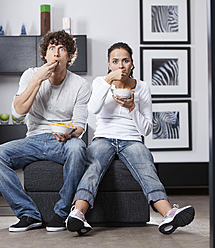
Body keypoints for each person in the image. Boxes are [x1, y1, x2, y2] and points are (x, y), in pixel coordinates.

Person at [65, 42, 195, 235]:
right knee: (92, 167)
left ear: (132, 63)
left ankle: (169, 214)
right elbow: (92, 109)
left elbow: (147, 129)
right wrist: (108, 80)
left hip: (132, 140)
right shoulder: (100, 82)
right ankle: (77, 214)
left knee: (146, 166)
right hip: (103, 138)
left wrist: (132, 108)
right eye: (115, 61)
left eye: (125, 60)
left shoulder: (142, 88)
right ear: (109, 64)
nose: (121, 66)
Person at [0, 30, 91, 233]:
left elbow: (80, 125)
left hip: (62, 141)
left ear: (69, 57)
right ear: (45, 54)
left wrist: (69, 134)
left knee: (78, 148)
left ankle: (62, 213)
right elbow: (17, 113)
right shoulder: (29, 75)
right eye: (52, 48)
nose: (56, 54)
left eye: (62, 49)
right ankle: (28, 214)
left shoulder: (80, 85)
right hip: (33, 139)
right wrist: (37, 80)